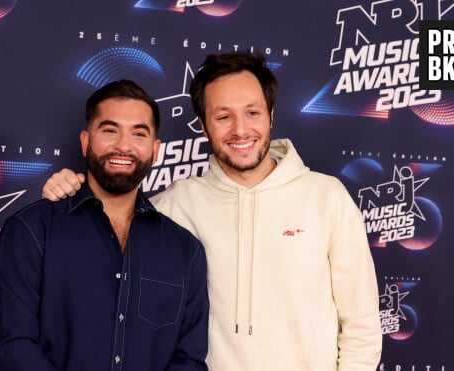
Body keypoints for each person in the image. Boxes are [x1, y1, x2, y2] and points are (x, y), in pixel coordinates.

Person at [42, 51, 382, 370]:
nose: (240, 130)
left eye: (252, 112)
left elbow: (361, 328)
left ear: (271, 115)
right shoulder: (176, 204)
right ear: (204, 127)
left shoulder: (326, 198)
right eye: (223, 117)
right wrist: (68, 190)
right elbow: (107, 221)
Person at [0, 80, 209, 371]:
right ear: (85, 141)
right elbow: (12, 343)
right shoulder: (31, 230)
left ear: (155, 151)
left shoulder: (185, 251)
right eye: (109, 130)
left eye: (138, 134)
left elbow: (188, 360)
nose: (123, 146)